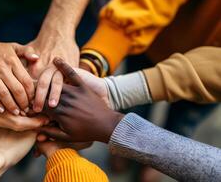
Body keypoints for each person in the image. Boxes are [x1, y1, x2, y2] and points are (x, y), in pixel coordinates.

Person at [39, 50, 221, 181]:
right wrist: (114, 91)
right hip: (160, 50)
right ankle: (135, 156)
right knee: (142, 109)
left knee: (183, 120)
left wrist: (113, 125)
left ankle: (149, 162)